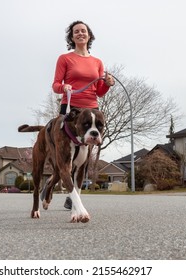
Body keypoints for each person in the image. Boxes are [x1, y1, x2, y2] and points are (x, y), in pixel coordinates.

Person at [51, 20, 115, 209]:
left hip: (91, 110)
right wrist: (64, 86)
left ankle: (74, 195)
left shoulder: (97, 62)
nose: (80, 33)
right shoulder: (65, 58)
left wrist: (108, 84)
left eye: (83, 31)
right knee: (67, 155)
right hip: (71, 109)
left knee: (84, 154)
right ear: (71, 37)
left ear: (89, 35)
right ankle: (69, 188)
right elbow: (55, 85)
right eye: (76, 31)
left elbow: (100, 91)